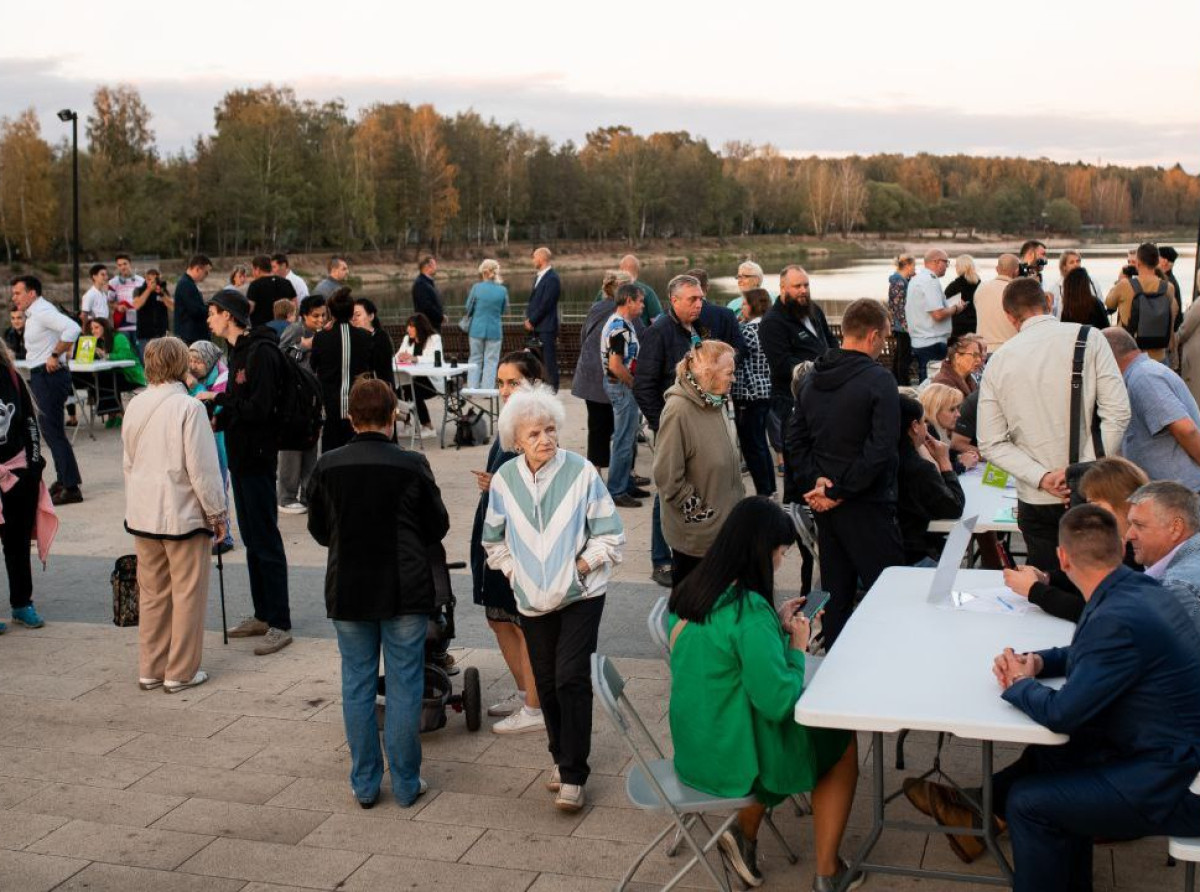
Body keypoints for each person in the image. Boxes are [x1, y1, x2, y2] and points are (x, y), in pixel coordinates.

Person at [921, 505, 1200, 892]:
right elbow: (1091, 654)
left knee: (1029, 802)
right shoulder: (1135, 589)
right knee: (1050, 757)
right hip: (1166, 753)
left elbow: (1062, 714)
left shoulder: (1116, 612)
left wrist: (1018, 685)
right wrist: (1037, 661)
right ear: (1118, 548)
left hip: (1174, 782)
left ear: (1062, 557)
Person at [667, 497, 861, 892]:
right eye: (780, 552)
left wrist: (776, 624)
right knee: (841, 743)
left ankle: (743, 834)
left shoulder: (694, 591)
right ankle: (827, 871)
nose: (779, 562)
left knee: (801, 733)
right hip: (732, 757)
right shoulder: (748, 613)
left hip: (696, 745)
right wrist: (796, 647)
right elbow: (778, 703)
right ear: (760, 550)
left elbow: (725, 657)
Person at [306, 377, 449, 808]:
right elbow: (436, 525)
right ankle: (406, 782)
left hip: (349, 587)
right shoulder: (411, 465)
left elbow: (318, 529)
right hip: (403, 587)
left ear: (351, 418)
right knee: (405, 683)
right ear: (393, 418)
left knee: (357, 683)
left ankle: (365, 782)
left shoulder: (327, 465)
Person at [482, 384, 624, 812]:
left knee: (570, 677)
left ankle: (574, 775)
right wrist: (516, 573)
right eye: (533, 434)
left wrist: (580, 568)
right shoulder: (505, 480)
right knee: (544, 683)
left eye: (549, 430)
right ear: (516, 441)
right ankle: (562, 759)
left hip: (582, 595)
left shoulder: (581, 472)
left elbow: (611, 535)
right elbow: (493, 541)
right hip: (531, 600)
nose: (545, 439)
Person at [978, 278, 1130, 573]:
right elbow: (1118, 412)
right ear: (1048, 302)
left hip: (1036, 496)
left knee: (1047, 587)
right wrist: (1080, 470)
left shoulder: (998, 361)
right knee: (1096, 581)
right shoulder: (1090, 338)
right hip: (1091, 490)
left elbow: (991, 441)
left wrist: (1042, 477)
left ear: (1010, 317)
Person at [787, 298, 905, 648]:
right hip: (867, 503)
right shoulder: (878, 379)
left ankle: (837, 667)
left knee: (835, 593)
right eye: (884, 338)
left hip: (827, 506)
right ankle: (892, 656)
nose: (883, 345)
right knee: (890, 591)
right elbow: (881, 448)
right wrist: (838, 490)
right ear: (872, 337)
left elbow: (794, 439)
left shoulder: (812, 377)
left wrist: (817, 484)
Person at [122, 337, 225, 693]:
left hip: (143, 513)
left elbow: (128, 462)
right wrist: (218, 513)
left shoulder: (135, 404)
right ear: (181, 363)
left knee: (151, 593)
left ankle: (150, 667)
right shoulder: (189, 407)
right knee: (187, 593)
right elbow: (203, 470)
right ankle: (180, 670)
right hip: (181, 513)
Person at [635, 274, 743, 588]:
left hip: (695, 417)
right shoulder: (659, 332)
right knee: (668, 489)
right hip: (673, 421)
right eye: (692, 299)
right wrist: (664, 424)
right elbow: (643, 385)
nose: (699, 304)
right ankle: (661, 559)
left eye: (701, 298)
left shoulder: (694, 329)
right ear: (674, 301)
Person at [200, 288, 292, 656]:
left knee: (265, 536)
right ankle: (262, 613)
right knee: (252, 537)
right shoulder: (235, 351)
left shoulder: (261, 351)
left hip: (257, 455)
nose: (208, 319)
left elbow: (260, 407)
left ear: (229, 315)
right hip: (240, 455)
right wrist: (219, 418)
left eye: (213, 313)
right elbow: (242, 405)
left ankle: (280, 622)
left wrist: (217, 401)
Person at [469, 351, 547, 734]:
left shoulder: (537, 425)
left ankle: (536, 706)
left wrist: (501, 482)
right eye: (500, 382)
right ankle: (524, 692)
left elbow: (543, 483)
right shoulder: (509, 421)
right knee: (497, 617)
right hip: (493, 531)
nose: (504, 390)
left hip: (518, 540)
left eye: (512, 382)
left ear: (532, 383)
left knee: (520, 622)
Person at [1005, 457, 1148, 621]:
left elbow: (1093, 610)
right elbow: (1090, 578)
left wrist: (1034, 590)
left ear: (1123, 501)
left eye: (1096, 505)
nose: (1089, 514)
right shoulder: (1122, 540)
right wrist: (1047, 578)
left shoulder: (1135, 551)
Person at [654, 340, 744, 583]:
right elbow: (667, 476)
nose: (733, 379)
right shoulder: (678, 410)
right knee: (695, 611)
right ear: (708, 373)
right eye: (729, 373)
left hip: (724, 531)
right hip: (698, 539)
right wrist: (701, 514)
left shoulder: (715, 401)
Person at [759, 265, 836, 501]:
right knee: (797, 465)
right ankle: (793, 517)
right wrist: (820, 366)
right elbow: (782, 365)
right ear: (783, 288)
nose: (803, 290)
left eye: (806, 285)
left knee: (823, 457)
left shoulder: (814, 311)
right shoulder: (772, 322)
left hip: (824, 395)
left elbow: (831, 343)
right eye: (797, 286)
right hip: (791, 402)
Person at [11, 276, 83, 506]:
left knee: (52, 432)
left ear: (31, 293)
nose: (14, 297)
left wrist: (54, 355)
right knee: (50, 431)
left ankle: (71, 487)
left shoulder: (42, 311)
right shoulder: (35, 313)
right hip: (42, 375)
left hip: (50, 375)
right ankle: (64, 479)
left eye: (18, 293)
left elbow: (73, 328)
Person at [0, 336, 54, 635]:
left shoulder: (11, 377)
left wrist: (34, 468)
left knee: (17, 543)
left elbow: (30, 424)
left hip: (18, 472)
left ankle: (22, 603)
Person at [1102, 327, 1200, 489]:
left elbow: (1186, 430)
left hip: (1182, 492)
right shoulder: (1140, 374)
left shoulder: (1143, 377)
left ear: (1106, 357)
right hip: (1174, 491)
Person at [896, 395, 966, 565]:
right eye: (922, 422)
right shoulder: (918, 468)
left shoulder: (882, 460)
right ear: (914, 427)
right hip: (914, 555)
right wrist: (944, 462)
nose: (925, 427)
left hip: (885, 552)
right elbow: (953, 508)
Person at [573, 271, 629, 470]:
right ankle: (624, 475)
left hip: (590, 373)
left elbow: (583, 335)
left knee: (597, 426)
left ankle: (595, 476)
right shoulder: (625, 311)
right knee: (624, 429)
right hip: (614, 375)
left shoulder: (596, 308)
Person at [311, 289, 378, 452]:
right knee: (357, 453)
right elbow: (371, 367)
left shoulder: (321, 337)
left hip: (330, 407)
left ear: (330, 313)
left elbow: (314, 365)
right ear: (351, 313)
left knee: (331, 454)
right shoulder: (365, 336)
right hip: (358, 405)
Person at [277, 296, 326, 515]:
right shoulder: (296, 330)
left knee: (310, 446)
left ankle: (308, 493)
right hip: (294, 401)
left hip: (313, 402)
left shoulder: (324, 333)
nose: (320, 319)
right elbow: (280, 357)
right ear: (304, 315)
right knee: (291, 449)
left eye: (323, 315)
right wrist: (302, 346)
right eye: (315, 316)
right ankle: (286, 496)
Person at [600, 283, 647, 507]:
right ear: (628, 301)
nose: (643, 305)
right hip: (621, 385)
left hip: (620, 385)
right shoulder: (620, 327)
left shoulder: (621, 323)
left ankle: (625, 484)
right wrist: (633, 383)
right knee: (623, 439)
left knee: (627, 439)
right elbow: (616, 365)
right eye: (640, 301)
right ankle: (617, 490)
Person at [187, 340, 235, 555]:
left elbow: (214, 410)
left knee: (218, 482)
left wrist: (195, 387)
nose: (193, 365)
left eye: (198, 360)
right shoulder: (194, 376)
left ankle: (224, 537)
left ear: (209, 359)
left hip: (219, 437)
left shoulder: (223, 376)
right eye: (190, 360)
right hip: (198, 435)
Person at [1127, 482, 1200, 614]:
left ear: (1176, 528)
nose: (1128, 535)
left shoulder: (1177, 589)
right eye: (1130, 524)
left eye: (1139, 525)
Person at [733, 288, 776, 497]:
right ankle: (771, 489)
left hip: (747, 393)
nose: (741, 307)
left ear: (752, 305)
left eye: (744, 304)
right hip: (766, 390)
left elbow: (733, 352)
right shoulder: (769, 327)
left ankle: (763, 492)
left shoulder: (748, 331)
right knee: (761, 443)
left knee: (751, 446)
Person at [1105, 242, 1178, 363]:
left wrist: (1120, 279)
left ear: (1138, 263)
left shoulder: (1125, 285)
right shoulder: (1168, 288)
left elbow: (1109, 303)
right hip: (1159, 356)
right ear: (1156, 263)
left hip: (1131, 356)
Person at [906, 249, 962, 382]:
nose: (947, 266)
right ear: (936, 262)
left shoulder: (917, 279)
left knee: (926, 384)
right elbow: (937, 314)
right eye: (946, 262)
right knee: (935, 387)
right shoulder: (930, 281)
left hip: (921, 340)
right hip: (932, 342)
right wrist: (956, 308)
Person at [88, 317, 146, 427]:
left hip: (129, 374)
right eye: (92, 328)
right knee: (98, 379)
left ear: (105, 327)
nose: (93, 331)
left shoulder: (119, 337)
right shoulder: (99, 342)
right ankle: (112, 413)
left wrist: (107, 355)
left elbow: (125, 355)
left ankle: (117, 413)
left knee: (105, 379)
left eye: (96, 327)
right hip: (114, 373)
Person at [394, 313, 442, 438]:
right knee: (399, 390)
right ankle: (407, 424)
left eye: (411, 326)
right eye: (407, 326)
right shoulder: (407, 340)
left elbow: (435, 358)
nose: (407, 329)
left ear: (420, 327)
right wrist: (400, 357)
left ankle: (428, 426)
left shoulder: (434, 338)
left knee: (412, 389)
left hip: (431, 382)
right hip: (412, 379)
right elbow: (397, 355)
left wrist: (415, 358)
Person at [465, 259, 509, 390]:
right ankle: (487, 390)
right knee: (491, 361)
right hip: (494, 330)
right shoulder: (502, 290)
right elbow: (504, 310)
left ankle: (472, 388)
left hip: (476, 330)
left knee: (475, 359)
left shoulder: (476, 288)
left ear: (483, 272)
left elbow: (468, 308)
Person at [526, 246, 561, 390]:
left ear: (541, 258)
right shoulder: (539, 277)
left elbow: (546, 303)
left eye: (534, 257)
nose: (533, 260)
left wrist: (532, 320)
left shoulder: (552, 278)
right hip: (537, 327)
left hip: (546, 327)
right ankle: (543, 388)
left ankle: (553, 390)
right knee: (538, 361)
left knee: (549, 360)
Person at [920, 383, 978, 471]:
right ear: (935, 410)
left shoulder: (937, 429)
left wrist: (958, 456)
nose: (958, 414)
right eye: (952, 410)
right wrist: (962, 464)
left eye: (958, 408)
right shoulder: (927, 433)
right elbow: (937, 472)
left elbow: (945, 454)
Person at [973, 254, 1021, 351]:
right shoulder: (1019, 291)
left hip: (984, 349)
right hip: (1009, 348)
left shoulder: (981, 287)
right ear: (1017, 271)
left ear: (997, 269)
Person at [351, 297, 397, 384]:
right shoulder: (353, 338)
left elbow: (376, 365)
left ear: (371, 316)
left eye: (358, 315)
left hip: (380, 389)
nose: (354, 318)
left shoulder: (381, 336)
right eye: (351, 315)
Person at [247, 255, 297, 330]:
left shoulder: (255, 285)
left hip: (262, 331)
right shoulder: (286, 282)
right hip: (285, 330)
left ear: (257, 269)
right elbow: (295, 305)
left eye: (253, 270)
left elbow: (250, 308)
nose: (252, 273)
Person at [888, 254, 917, 384]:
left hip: (902, 325)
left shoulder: (903, 281)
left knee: (901, 354)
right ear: (907, 265)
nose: (915, 268)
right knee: (903, 356)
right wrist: (906, 326)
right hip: (903, 326)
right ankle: (902, 383)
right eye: (914, 265)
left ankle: (896, 381)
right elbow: (898, 306)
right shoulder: (898, 282)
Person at [173, 255, 212, 346]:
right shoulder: (186, 284)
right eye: (206, 272)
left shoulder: (188, 283)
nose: (206, 276)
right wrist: (212, 310)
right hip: (190, 338)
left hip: (190, 336)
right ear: (198, 269)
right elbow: (195, 310)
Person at [133, 268, 172, 353]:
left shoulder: (163, 290)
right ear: (146, 279)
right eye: (150, 279)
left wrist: (162, 294)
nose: (153, 282)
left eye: (156, 279)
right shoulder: (139, 290)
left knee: (163, 361)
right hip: (144, 334)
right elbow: (137, 305)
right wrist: (149, 290)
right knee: (147, 362)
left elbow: (172, 307)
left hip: (161, 333)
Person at [618, 254, 661, 323]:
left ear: (620, 269)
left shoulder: (606, 291)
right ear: (637, 271)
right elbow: (658, 322)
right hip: (640, 333)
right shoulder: (647, 291)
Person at [945, 254, 981, 337]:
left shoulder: (953, 287)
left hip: (958, 328)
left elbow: (945, 308)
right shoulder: (981, 285)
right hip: (977, 325)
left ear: (959, 268)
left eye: (956, 265)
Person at [111, 254, 143, 344]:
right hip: (122, 326)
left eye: (125, 264)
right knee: (125, 355)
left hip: (139, 325)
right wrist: (117, 307)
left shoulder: (141, 281)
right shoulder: (113, 282)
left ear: (130, 264)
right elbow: (109, 302)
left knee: (141, 355)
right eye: (119, 265)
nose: (123, 267)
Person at [412, 254, 444, 331]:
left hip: (432, 326)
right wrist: (440, 317)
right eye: (434, 265)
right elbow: (427, 306)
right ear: (428, 267)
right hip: (427, 328)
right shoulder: (420, 284)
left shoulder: (427, 282)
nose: (436, 268)